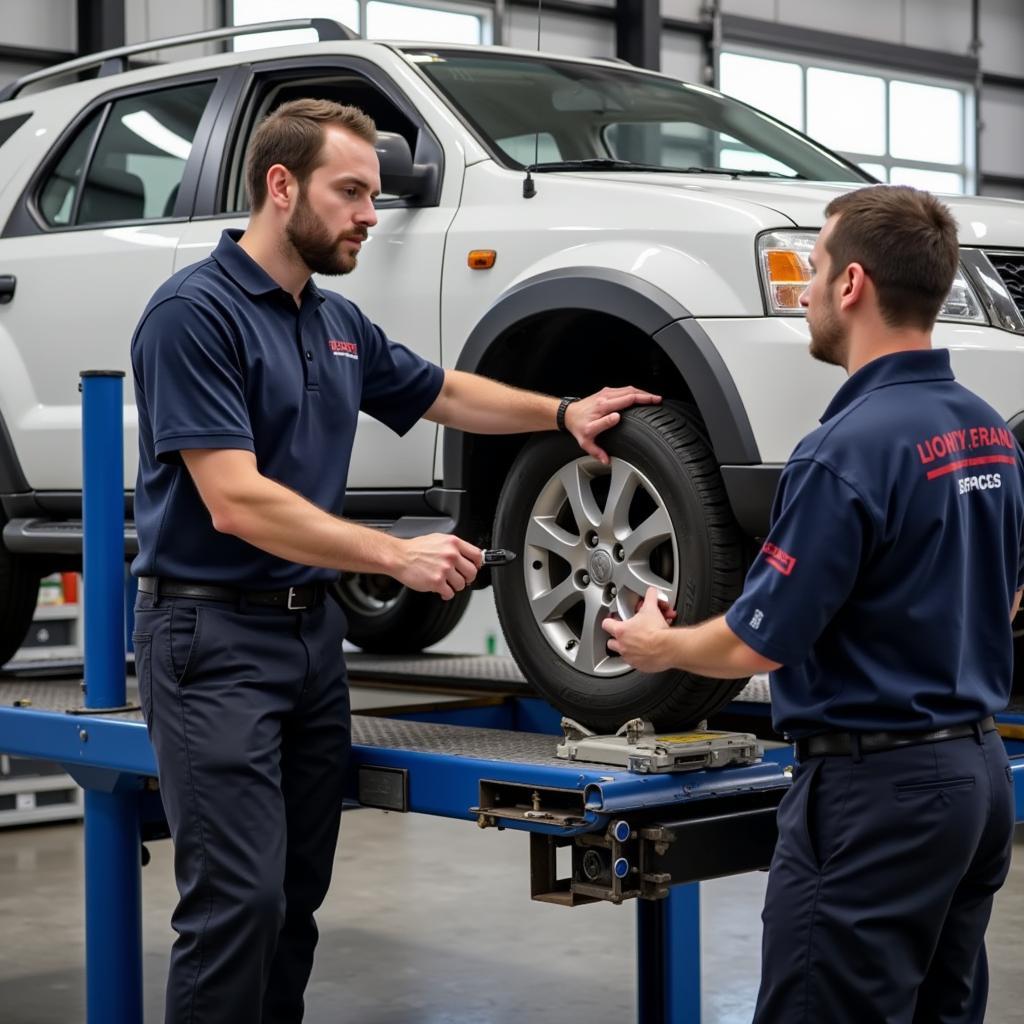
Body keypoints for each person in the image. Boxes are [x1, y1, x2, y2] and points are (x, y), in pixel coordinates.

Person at [130, 97, 659, 1024]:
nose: (373, 214)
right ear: (280, 184)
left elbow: (443, 390)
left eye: (374, 194)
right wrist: (392, 555)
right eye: (352, 192)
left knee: (293, 906)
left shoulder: (333, 322)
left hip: (308, 645)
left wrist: (562, 411)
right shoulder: (193, 315)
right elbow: (233, 498)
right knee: (236, 907)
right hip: (209, 640)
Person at [603, 185, 1024, 1023]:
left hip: (879, 792)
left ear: (853, 285)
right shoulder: (986, 430)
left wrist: (661, 648)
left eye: (817, 266)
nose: (805, 290)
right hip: (979, 779)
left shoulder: (843, 451)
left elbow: (759, 642)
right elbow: (1010, 594)